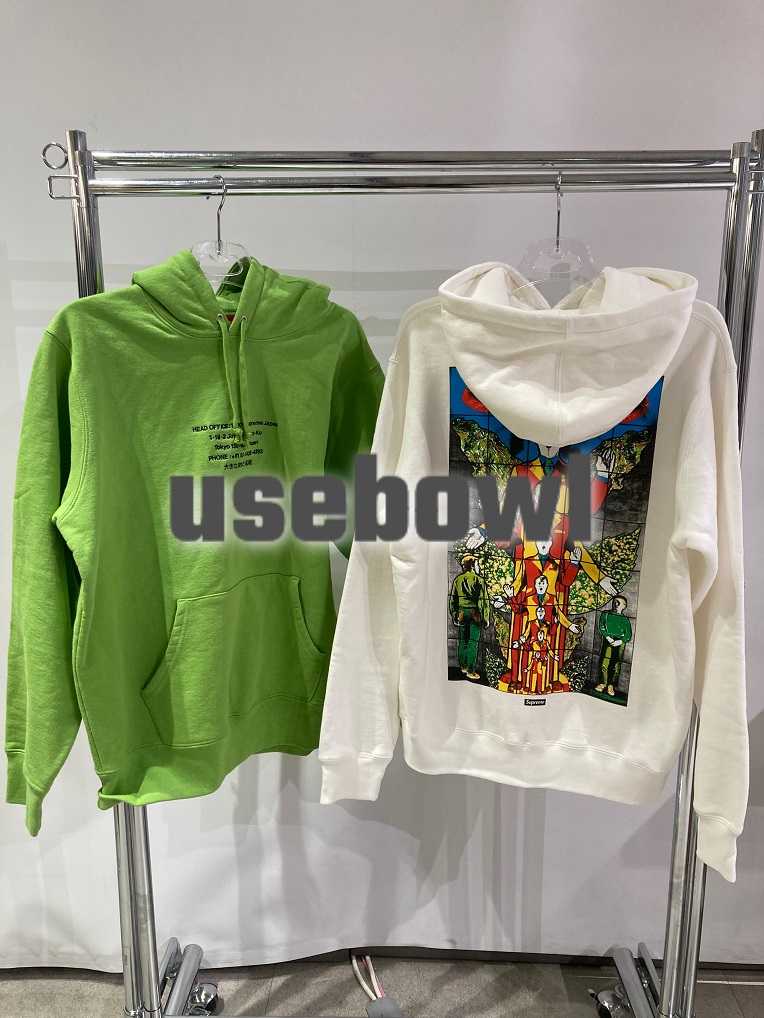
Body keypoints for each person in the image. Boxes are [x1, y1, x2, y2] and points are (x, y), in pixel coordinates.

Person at [449, 555, 489, 680]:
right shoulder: (479, 580)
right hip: (474, 613)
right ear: (472, 565)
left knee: (463, 640)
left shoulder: (458, 579)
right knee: (473, 642)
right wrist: (486, 617)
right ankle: (471, 671)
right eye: (477, 564)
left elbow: (453, 599)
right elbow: (484, 601)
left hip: (461, 612)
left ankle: (463, 667)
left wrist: (454, 614)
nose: (479, 567)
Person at [595, 595, 632, 696]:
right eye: (615, 602)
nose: (616, 604)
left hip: (620, 643)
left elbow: (628, 634)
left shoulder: (624, 619)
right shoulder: (606, 614)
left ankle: (611, 685)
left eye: (619, 603)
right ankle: (603, 683)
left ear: (624, 606)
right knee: (604, 662)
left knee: (616, 664)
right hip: (609, 640)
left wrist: (620, 641)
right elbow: (602, 626)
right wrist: (608, 638)